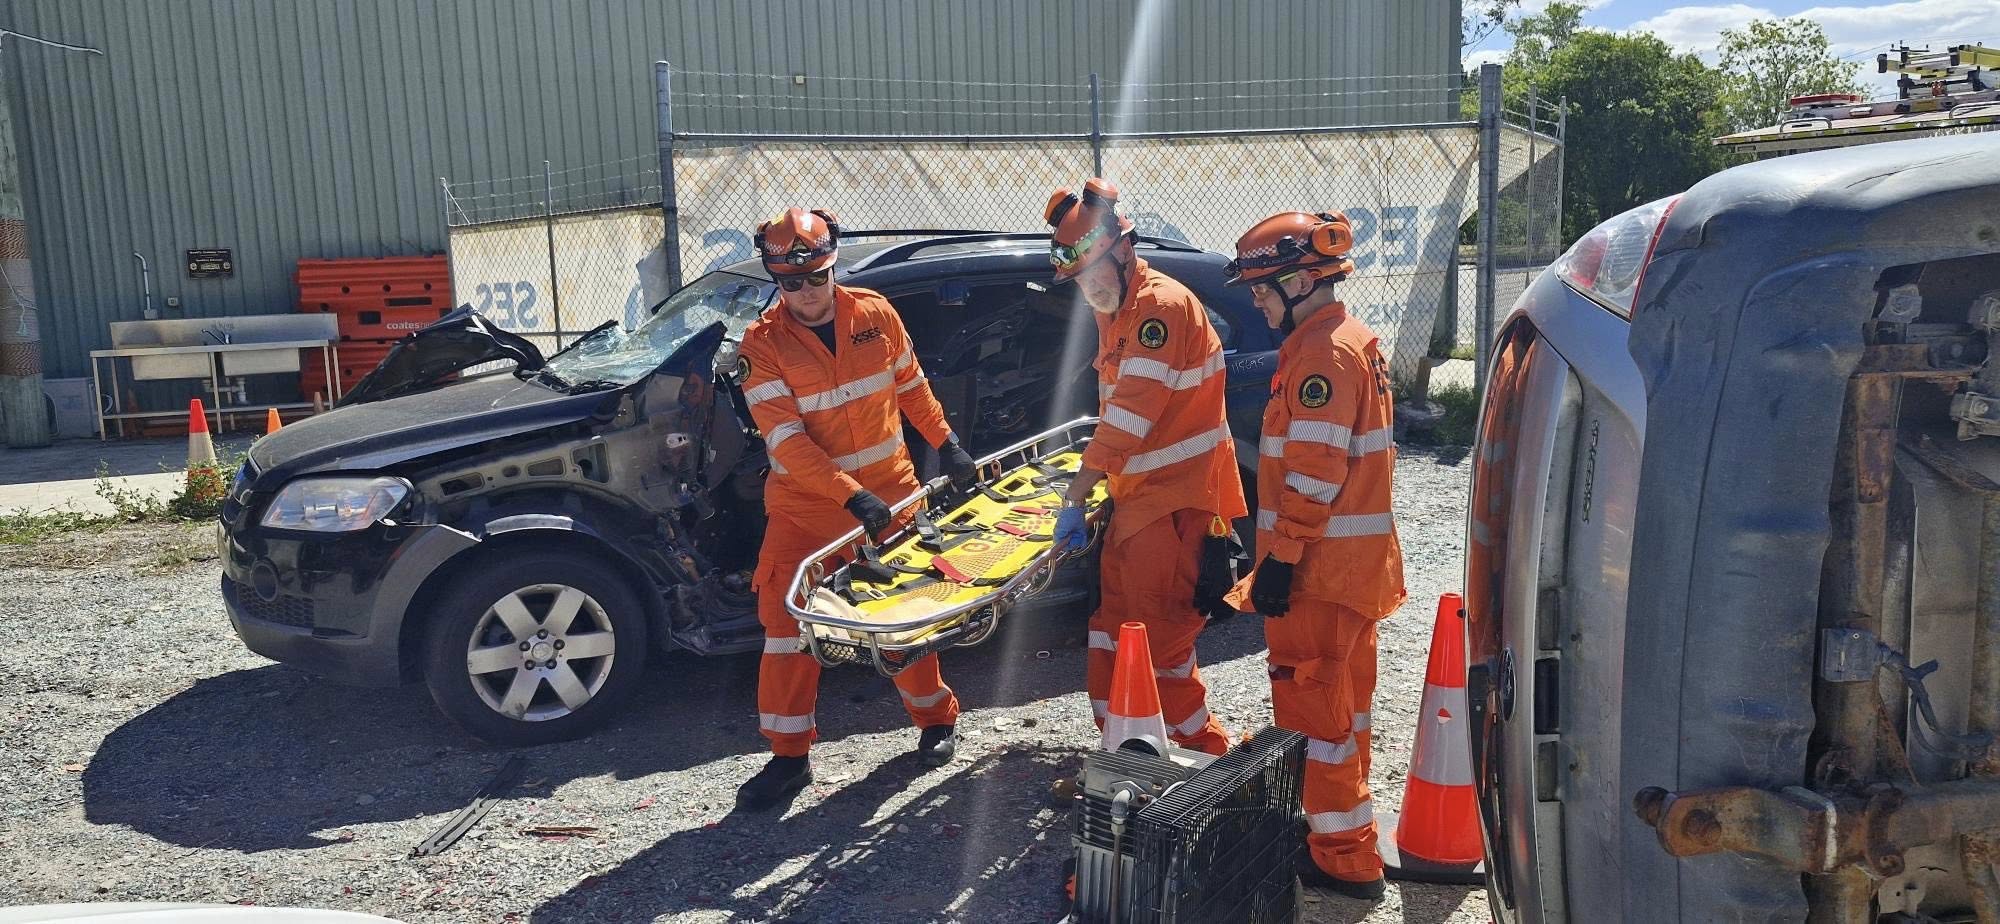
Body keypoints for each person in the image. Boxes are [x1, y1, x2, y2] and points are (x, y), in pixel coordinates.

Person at [734, 206, 982, 812]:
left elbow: (911, 385)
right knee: (785, 625)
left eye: (816, 277)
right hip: (807, 507)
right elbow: (786, 441)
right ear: (776, 282)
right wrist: (850, 494)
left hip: (889, 495)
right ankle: (789, 758)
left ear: (832, 267)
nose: (806, 293)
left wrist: (946, 443)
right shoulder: (760, 347)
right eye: (791, 283)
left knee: (902, 619)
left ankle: (936, 721)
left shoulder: (874, 313)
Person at [1220, 210, 1407, 899]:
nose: (1259, 303)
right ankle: (1344, 832)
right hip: (1349, 572)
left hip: (1319, 575)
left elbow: (1314, 472)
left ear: (1299, 279)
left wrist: (1281, 559)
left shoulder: (1321, 355)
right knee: (1345, 711)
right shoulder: (1346, 340)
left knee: (1317, 717)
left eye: (1264, 290)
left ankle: (1343, 860)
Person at [1044, 178, 1247, 756]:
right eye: (1077, 279)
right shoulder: (1119, 308)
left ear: (1124, 251)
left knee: (1159, 640)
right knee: (1114, 629)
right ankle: (1123, 750)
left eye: (1090, 274)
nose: (1085, 288)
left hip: (1176, 504)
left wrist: (1077, 494)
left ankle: (1202, 758)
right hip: (1141, 503)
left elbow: (1130, 418)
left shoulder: (1159, 307)